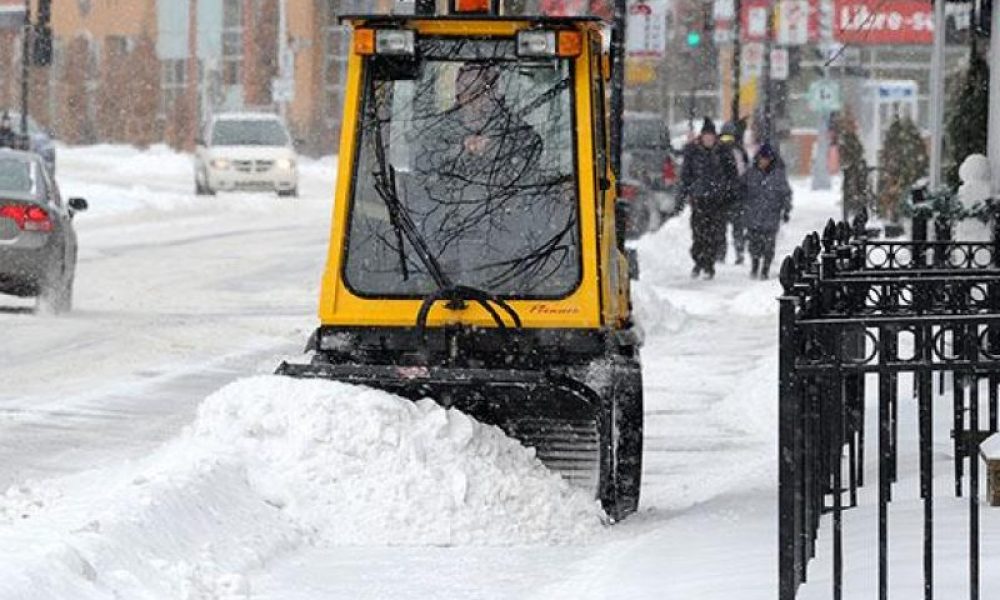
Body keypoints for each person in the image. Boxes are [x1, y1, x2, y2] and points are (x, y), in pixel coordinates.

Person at [679, 117, 739, 280]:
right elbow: (685, 176)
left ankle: (709, 265)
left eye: (711, 136)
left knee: (714, 235)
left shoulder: (723, 152)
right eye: (706, 136)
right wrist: (685, 194)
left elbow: (732, 175)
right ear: (702, 137)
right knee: (698, 233)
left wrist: (729, 193)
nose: (709, 139)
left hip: (717, 200)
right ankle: (698, 261)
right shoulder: (693, 152)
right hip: (698, 200)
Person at [743, 143, 792, 280]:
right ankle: (755, 265)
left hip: (771, 215)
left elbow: (785, 193)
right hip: (753, 215)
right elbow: (742, 190)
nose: (763, 161)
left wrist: (786, 209)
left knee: (769, 245)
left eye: (766, 159)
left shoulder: (778, 175)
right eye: (761, 158)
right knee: (754, 244)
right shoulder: (751, 174)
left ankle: (765, 268)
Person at [719, 120, 749, 265]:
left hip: (731, 195)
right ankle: (735, 252)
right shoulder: (738, 151)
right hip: (729, 195)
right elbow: (744, 172)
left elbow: (744, 172)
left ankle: (732, 253)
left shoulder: (734, 151)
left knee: (729, 227)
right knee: (730, 227)